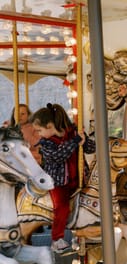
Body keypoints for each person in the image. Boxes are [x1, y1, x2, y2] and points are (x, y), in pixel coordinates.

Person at [30, 103, 96, 253]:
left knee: (86, 205)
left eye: (39, 130)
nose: (39, 134)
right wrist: (73, 142)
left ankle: (81, 233)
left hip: (78, 178)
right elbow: (57, 157)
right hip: (57, 182)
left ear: (50, 125)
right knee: (62, 207)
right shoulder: (46, 143)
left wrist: (84, 140)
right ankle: (57, 239)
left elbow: (92, 148)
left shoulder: (73, 132)